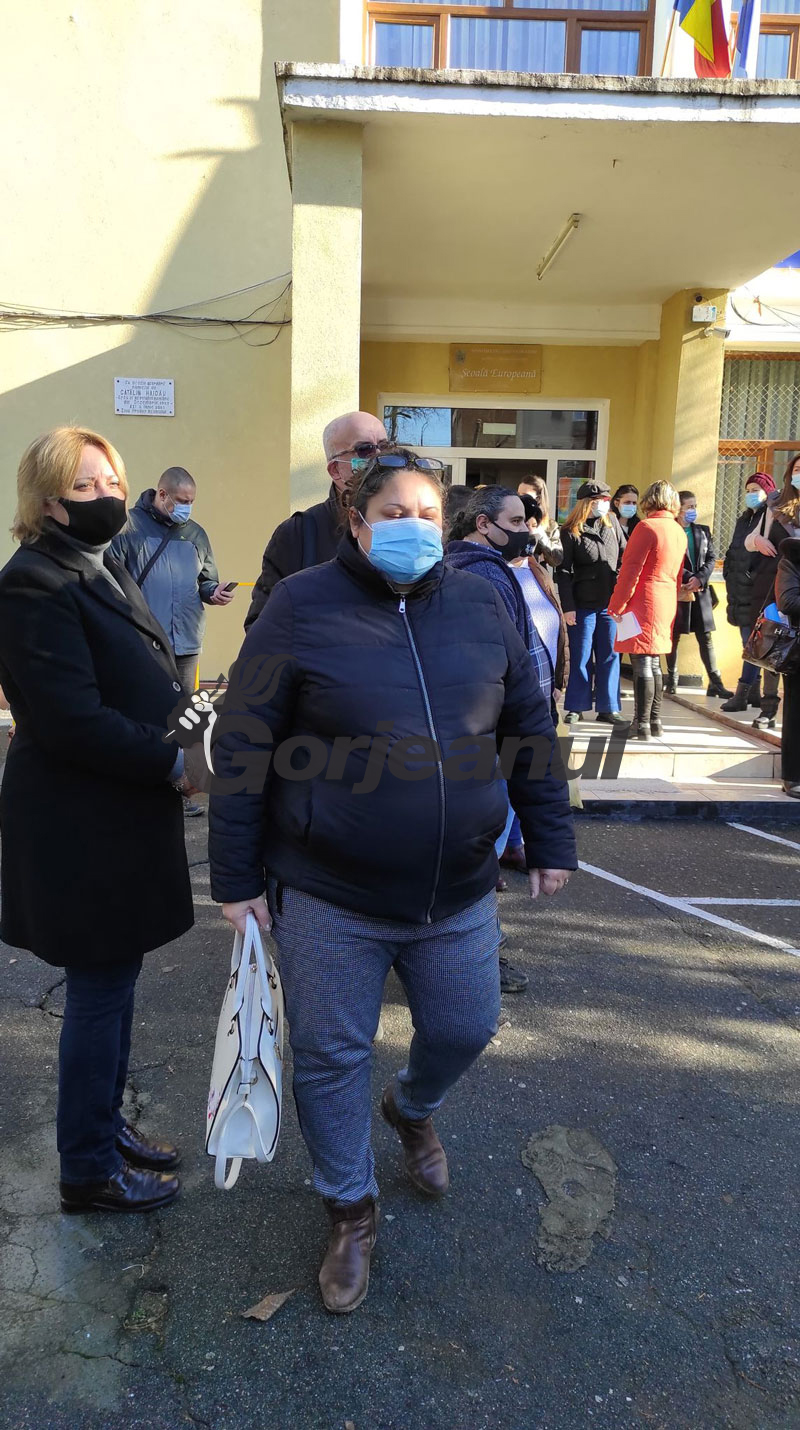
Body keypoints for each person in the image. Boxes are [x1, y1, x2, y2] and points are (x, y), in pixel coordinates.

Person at [208, 447, 576, 1314]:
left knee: (466, 1025)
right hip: (329, 892)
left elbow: (528, 722)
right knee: (330, 1056)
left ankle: (410, 1106)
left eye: (427, 514)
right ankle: (350, 1209)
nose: (413, 528)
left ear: (447, 523)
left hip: (457, 889)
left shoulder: (481, 602)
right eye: (394, 513)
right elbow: (244, 741)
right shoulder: (301, 605)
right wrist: (235, 877)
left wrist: (551, 836)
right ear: (357, 521)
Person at [0, 427, 196, 1214]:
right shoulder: (31, 583)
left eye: (112, 480)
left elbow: (145, 670)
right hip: (81, 822)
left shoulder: (99, 562)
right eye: (85, 486)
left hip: (120, 808)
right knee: (100, 988)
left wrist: (192, 732)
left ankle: (105, 1127)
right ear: (46, 500)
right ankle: (86, 1169)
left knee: (116, 980)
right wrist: (172, 762)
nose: (107, 496)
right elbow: (70, 720)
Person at [446, 486, 553, 991]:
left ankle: (474, 950)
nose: (525, 530)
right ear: (483, 524)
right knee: (477, 854)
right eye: (515, 521)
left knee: (482, 848)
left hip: (505, 726)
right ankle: (477, 957)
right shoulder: (483, 574)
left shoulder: (502, 567)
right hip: (495, 734)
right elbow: (500, 664)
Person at [244, 411, 389, 630]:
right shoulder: (299, 533)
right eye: (365, 449)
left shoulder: (413, 526)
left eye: (385, 446)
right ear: (335, 470)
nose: (379, 456)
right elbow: (263, 628)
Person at [112, 466, 234, 697]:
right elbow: (110, 581)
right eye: (182, 501)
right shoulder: (129, 527)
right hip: (146, 641)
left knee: (183, 711)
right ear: (162, 494)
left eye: (191, 502)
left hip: (186, 642)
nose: (187, 507)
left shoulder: (196, 534)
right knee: (147, 706)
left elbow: (206, 581)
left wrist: (214, 592)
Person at [608, 481, 686, 740]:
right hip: (666, 598)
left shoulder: (646, 527)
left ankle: (640, 724)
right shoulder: (678, 530)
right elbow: (678, 574)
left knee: (641, 660)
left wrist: (616, 604)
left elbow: (631, 571)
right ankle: (654, 721)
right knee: (654, 661)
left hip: (644, 598)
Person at [556, 480, 628, 727]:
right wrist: (568, 607)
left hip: (611, 605)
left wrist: (623, 593)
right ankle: (576, 706)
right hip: (582, 605)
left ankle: (609, 708)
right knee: (581, 656)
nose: (605, 504)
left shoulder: (613, 524)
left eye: (607, 500)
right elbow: (563, 572)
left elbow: (625, 557)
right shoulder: (570, 531)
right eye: (600, 500)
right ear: (588, 503)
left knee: (610, 655)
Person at [721, 472, 779, 720]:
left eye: (756, 489)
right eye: (748, 490)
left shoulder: (772, 516)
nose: (751, 494)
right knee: (749, 643)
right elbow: (734, 550)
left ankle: (743, 693)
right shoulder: (744, 520)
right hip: (738, 590)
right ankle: (753, 692)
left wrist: (751, 576)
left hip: (758, 590)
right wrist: (728, 572)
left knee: (753, 643)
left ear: (769, 492)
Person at [666, 492, 732, 700]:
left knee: (705, 637)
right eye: (689, 506)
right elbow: (669, 559)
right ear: (678, 508)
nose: (693, 510)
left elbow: (711, 558)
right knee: (673, 636)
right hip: (680, 589)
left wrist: (700, 578)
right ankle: (672, 679)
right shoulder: (670, 530)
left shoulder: (702, 531)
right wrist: (688, 577)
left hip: (700, 591)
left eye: (695, 506)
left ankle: (715, 683)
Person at [773, 536, 800, 797]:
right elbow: (787, 601)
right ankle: (793, 776)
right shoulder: (792, 558)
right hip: (798, 652)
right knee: (796, 715)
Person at [517, 476, 563, 568]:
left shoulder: (549, 526)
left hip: (534, 572)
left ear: (538, 499)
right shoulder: (511, 519)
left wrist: (540, 534)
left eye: (525, 495)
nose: (520, 498)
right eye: (518, 494)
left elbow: (556, 560)